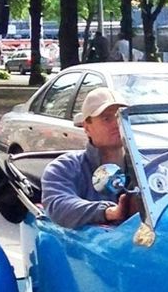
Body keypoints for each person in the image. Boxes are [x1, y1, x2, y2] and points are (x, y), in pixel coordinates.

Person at [41, 88, 142, 229]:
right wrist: (110, 212)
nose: (116, 124)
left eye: (120, 117)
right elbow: (58, 205)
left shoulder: (148, 169)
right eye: (106, 118)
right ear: (87, 127)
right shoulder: (65, 167)